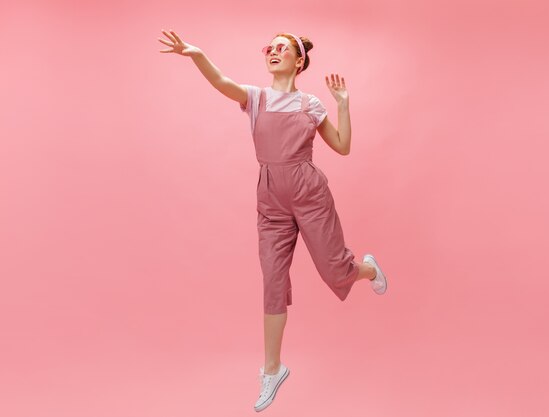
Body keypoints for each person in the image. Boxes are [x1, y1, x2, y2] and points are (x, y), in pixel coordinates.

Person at [157, 29, 389, 412]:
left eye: (283, 48)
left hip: (310, 194)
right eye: (271, 47)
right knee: (272, 281)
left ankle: (365, 268)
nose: (274, 51)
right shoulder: (256, 97)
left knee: (336, 271)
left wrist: (343, 104)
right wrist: (196, 54)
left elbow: (343, 147)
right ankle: (272, 369)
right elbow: (221, 82)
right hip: (270, 199)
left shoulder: (311, 103)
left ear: (299, 61)